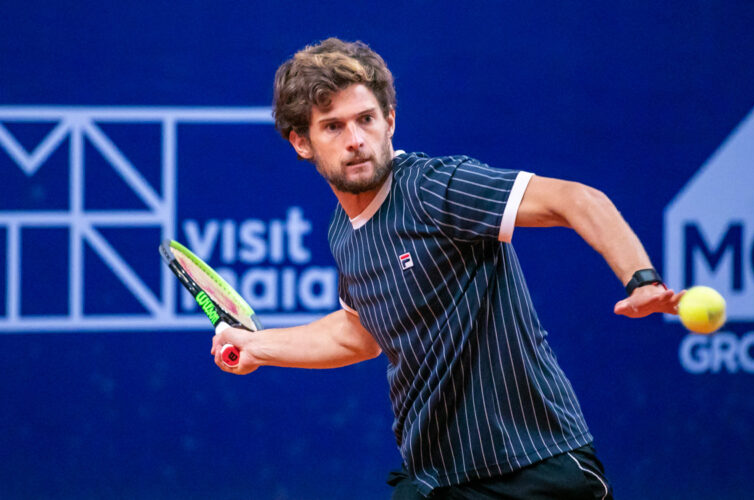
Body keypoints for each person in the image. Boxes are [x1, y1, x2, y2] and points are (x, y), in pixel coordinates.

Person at [212, 38, 683, 499]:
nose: (355, 140)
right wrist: (258, 346)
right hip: (439, 478)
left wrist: (641, 280)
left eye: (366, 119)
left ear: (389, 120)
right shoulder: (344, 231)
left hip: (535, 469)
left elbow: (575, 200)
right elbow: (358, 334)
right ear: (302, 142)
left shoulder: (432, 188)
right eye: (333, 127)